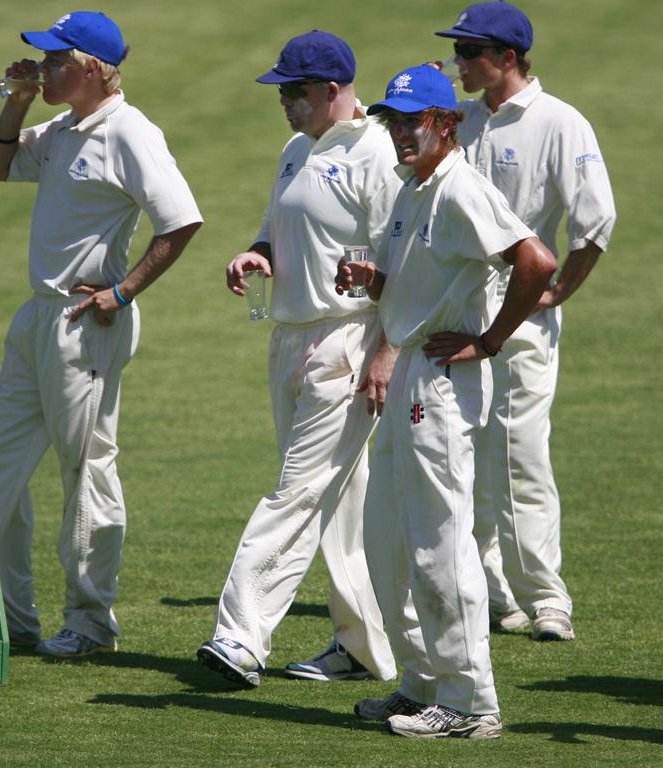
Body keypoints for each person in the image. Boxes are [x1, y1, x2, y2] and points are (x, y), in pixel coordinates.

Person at [0, 11, 203, 657]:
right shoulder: (65, 128)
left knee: (86, 473)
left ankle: (90, 624)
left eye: (54, 61)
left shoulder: (129, 131)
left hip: (86, 325)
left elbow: (180, 220)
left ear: (94, 68)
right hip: (36, 318)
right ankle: (6, 618)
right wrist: (16, 103)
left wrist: (123, 290)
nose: (43, 69)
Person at [340, 64, 557, 739]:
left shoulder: (461, 187)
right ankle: (421, 682)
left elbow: (537, 260)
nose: (403, 132)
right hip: (409, 367)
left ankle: (471, 703)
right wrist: (375, 280)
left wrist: (490, 340)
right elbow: (415, 283)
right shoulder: (414, 188)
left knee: (440, 541)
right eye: (395, 120)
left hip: (439, 379)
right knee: (390, 540)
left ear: (447, 125)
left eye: (416, 121)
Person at [195, 30, 398, 689]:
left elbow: (407, 264)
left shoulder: (378, 153)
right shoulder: (294, 148)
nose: (282, 101)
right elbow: (280, 225)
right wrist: (259, 254)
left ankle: (240, 637)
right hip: (288, 337)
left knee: (296, 492)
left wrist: (387, 353)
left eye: (293, 90)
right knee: (338, 500)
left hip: (348, 341)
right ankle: (366, 647)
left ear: (333, 90)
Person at [432, 1, 616, 641]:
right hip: (453, 313)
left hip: (519, 321)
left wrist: (558, 291)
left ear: (506, 57)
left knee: (519, 456)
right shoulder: (456, 118)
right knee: (458, 454)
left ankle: (547, 597)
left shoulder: (558, 122)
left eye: (468, 53)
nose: (458, 62)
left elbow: (595, 222)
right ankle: (488, 590)